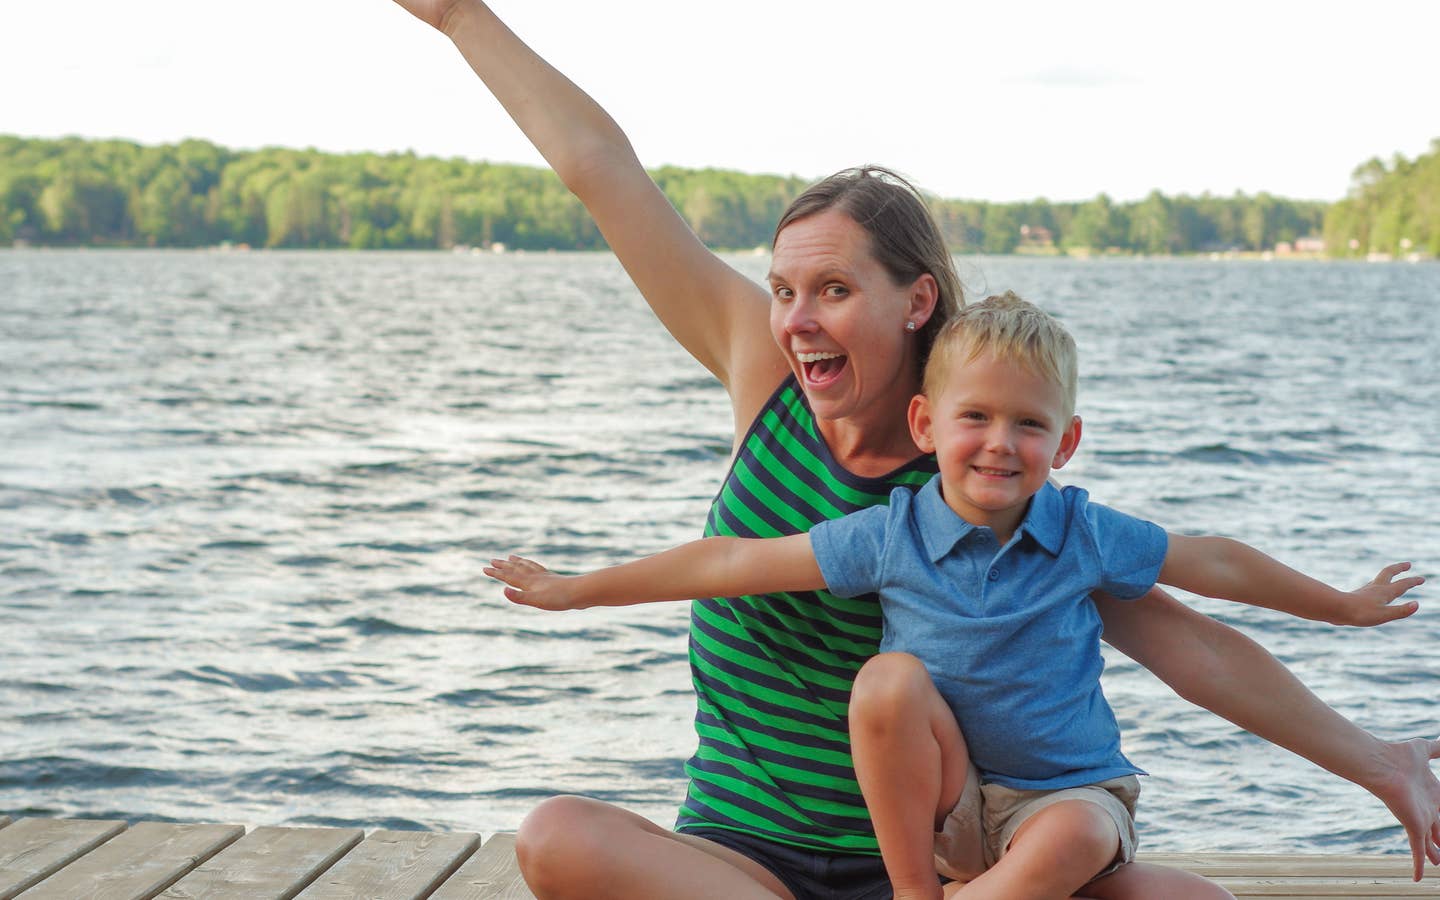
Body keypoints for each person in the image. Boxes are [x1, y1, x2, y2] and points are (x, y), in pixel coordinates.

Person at [387, 2, 1440, 898]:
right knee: (557, 838)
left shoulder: (980, 471)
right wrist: (460, 17)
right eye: (787, 290)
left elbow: (1192, 646)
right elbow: (600, 171)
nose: (796, 320)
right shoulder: (766, 373)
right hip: (744, 854)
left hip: (947, 860)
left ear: (915, 301)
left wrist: (1379, 763)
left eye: (836, 292)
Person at [486, 292, 1424, 899]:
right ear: (928, 424)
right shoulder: (890, 535)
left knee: (1115, 860)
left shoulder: (1083, 533)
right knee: (887, 683)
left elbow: (1212, 562)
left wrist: (1338, 605)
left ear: (1066, 442)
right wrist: (578, 590)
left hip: (1068, 803)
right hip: (950, 820)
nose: (999, 444)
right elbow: (727, 564)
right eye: (974, 418)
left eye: (1029, 425)